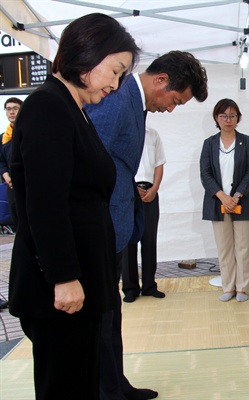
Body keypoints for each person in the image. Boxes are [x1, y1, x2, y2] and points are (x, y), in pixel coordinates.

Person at [7, 13, 139, 400]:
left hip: (80, 282)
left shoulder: (71, 107)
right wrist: (64, 277)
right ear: (86, 55)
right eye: (114, 71)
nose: (115, 85)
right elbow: (46, 202)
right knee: (65, 387)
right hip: (61, 291)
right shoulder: (48, 106)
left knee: (80, 382)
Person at [85, 50, 208, 400]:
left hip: (115, 222)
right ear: (161, 81)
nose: (171, 109)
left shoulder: (132, 103)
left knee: (111, 315)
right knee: (102, 317)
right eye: (175, 101)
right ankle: (107, 389)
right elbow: (93, 163)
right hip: (101, 224)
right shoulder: (118, 99)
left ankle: (115, 384)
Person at [200, 99, 249, 302]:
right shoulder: (209, 144)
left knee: (243, 247)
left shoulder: (247, 141)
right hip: (218, 203)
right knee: (224, 247)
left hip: (242, 202)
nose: (228, 120)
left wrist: (236, 196)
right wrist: (222, 196)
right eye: (224, 116)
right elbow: (205, 174)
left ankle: (242, 287)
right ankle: (228, 287)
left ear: (238, 118)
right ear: (216, 118)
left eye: (232, 115)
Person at [122, 126, 166, 303]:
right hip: (128, 192)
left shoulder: (152, 133)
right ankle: (130, 288)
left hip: (150, 193)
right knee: (128, 242)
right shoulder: (123, 132)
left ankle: (149, 285)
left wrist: (154, 189)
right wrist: (132, 188)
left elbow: (159, 163)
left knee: (149, 240)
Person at [0, 97, 23, 235]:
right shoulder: (4, 137)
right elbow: (1, 161)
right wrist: (6, 176)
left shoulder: (29, 132)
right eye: (8, 109)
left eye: (15, 108)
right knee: (16, 218)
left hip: (27, 183)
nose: (11, 112)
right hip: (11, 185)